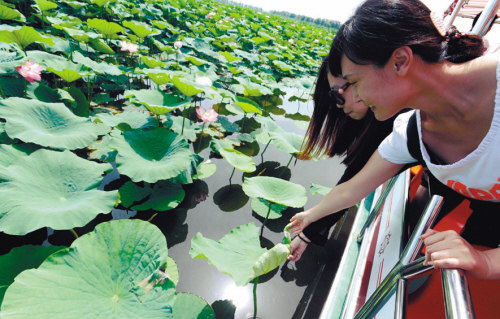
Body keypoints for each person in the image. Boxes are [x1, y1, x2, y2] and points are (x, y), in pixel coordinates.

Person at [290, 0, 500, 280]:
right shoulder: (409, 132)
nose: (358, 98)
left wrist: (485, 262)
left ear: (400, 61)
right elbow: (352, 189)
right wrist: (310, 218)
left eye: (354, 82)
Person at [287, 44, 398, 262]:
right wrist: (308, 229)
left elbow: (352, 186)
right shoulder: (395, 128)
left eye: (338, 95)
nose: (338, 107)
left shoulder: (405, 123)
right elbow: (352, 186)